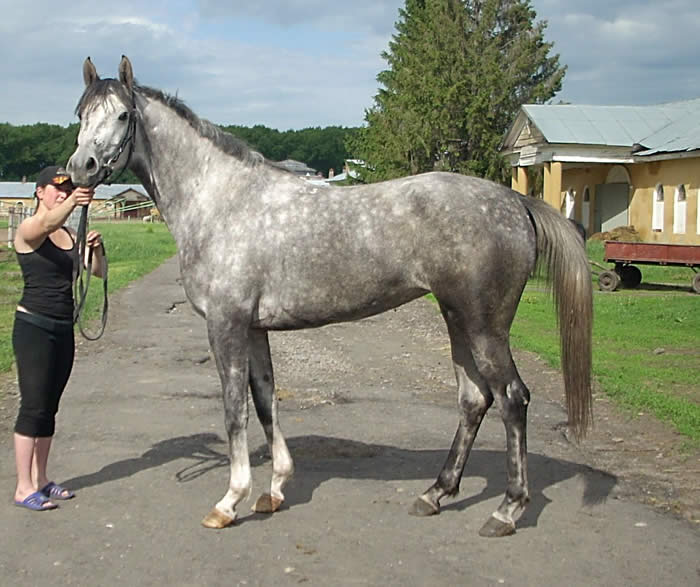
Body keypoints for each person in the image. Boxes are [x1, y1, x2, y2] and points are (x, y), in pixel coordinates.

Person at [12, 165, 104, 511]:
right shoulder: (29, 229)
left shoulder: (68, 234)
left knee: (49, 408)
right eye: (57, 188)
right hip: (34, 326)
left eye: (67, 189)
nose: (63, 193)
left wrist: (96, 249)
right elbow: (47, 224)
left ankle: (41, 479)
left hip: (63, 327)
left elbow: (97, 272)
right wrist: (75, 201)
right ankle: (23, 487)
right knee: (33, 406)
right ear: (40, 192)